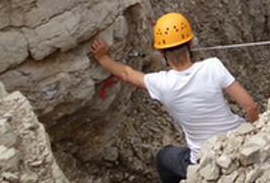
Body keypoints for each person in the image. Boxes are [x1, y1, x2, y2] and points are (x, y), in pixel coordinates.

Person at [90, 12, 259, 183]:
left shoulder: (162, 83)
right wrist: (255, 133)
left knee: (163, 158)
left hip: (204, 157)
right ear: (191, 43)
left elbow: (127, 74)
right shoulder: (213, 66)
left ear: (161, 53)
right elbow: (251, 106)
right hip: (238, 140)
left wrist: (103, 58)